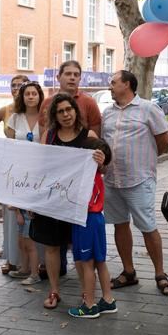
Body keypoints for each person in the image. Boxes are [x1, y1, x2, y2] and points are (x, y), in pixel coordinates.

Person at [101, 70, 168, 295]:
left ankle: (160, 273)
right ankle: (128, 271)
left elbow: (163, 140)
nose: (110, 86)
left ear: (127, 85)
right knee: (120, 224)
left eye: (113, 82)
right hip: (112, 179)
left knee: (148, 226)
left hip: (139, 179)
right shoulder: (107, 113)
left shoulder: (149, 109)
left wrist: (146, 162)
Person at [39, 93, 100, 309]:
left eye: (69, 109)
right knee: (52, 247)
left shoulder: (88, 135)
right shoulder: (49, 136)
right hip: (54, 200)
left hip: (79, 202)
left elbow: (101, 168)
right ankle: (54, 291)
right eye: (61, 111)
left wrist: (101, 160)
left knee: (80, 249)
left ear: (76, 111)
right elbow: (41, 166)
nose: (66, 115)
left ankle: (87, 294)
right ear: (55, 115)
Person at [68, 137, 117, 319]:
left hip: (86, 220)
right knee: (100, 262)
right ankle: (108, 299)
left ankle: (89, 304)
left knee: (87, 264)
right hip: (95, 220)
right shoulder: (96, 176)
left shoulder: (88, 179)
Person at [0, 74, 28, 273]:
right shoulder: (6, 110)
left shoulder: (37, 108)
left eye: (21, 85)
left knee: (30, 214)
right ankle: (12, 256)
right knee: (10, 214)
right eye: (13, 85)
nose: (16, 88)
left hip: (31, 168)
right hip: (9, 166)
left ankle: (33, 260)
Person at [4, 81, 45, 286]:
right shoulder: (15, 118)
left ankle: (36, 270)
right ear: (22, 97)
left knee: (32, 225)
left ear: (39, 96)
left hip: (38, 176)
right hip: (19, 176)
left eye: (34, 93)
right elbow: (10, 148)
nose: (30, 97)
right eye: (27, 94)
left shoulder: (45, 119)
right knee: (21, 226)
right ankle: (24, 267)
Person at [38, 61, 102, 137]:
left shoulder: (90, 103)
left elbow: (95, 137)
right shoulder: (47, 103)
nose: (72, 78)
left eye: (76, 75)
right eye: (68, 74)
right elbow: (43, 135)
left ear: (80, 79)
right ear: (58, 78)